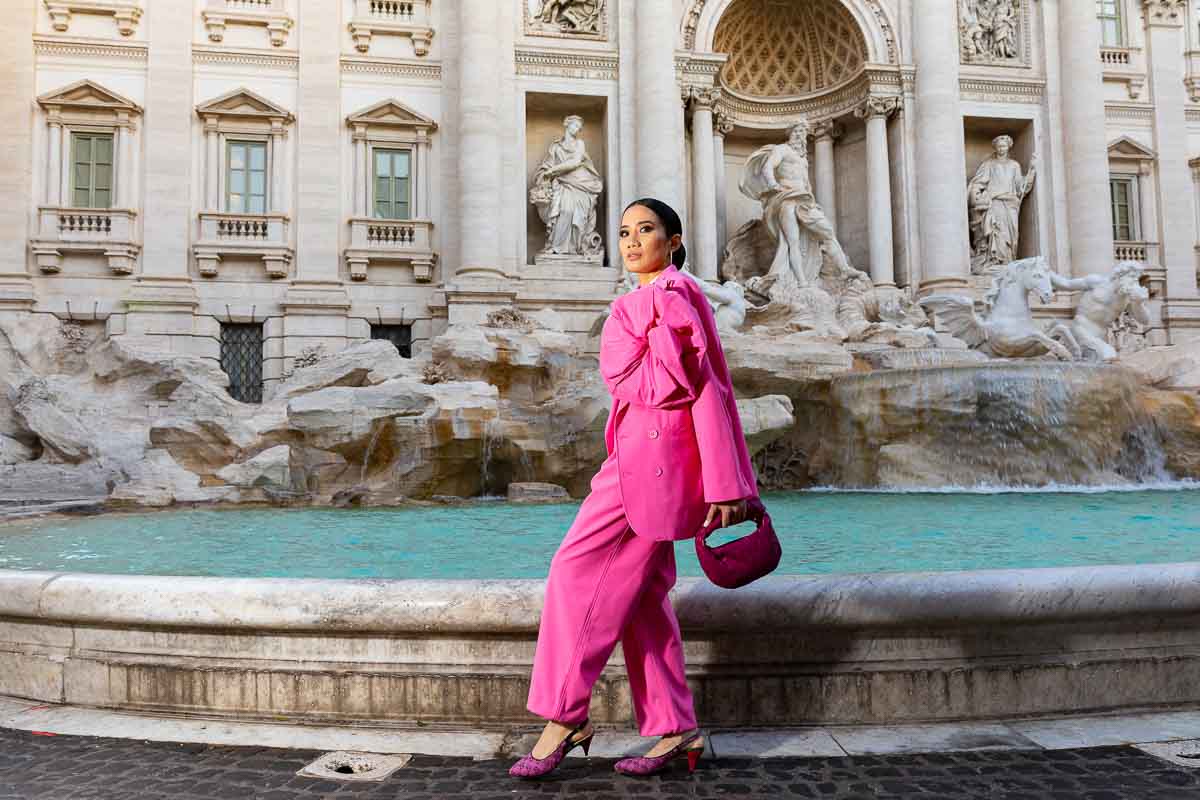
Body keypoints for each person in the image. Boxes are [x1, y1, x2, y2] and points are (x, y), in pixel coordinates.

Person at [509, 198, 759, 779]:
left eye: (645, 230)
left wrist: (726, 483)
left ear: (673, 240)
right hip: (644, 461)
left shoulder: (666, 297)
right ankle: (675, 728)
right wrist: (724, 481)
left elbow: (696, 389)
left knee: (573, 572)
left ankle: (563, 715)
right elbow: (707, 388)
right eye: (623, 232)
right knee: (643, 598)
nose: (630, 241)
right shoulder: (670, 296)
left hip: (649, 469)